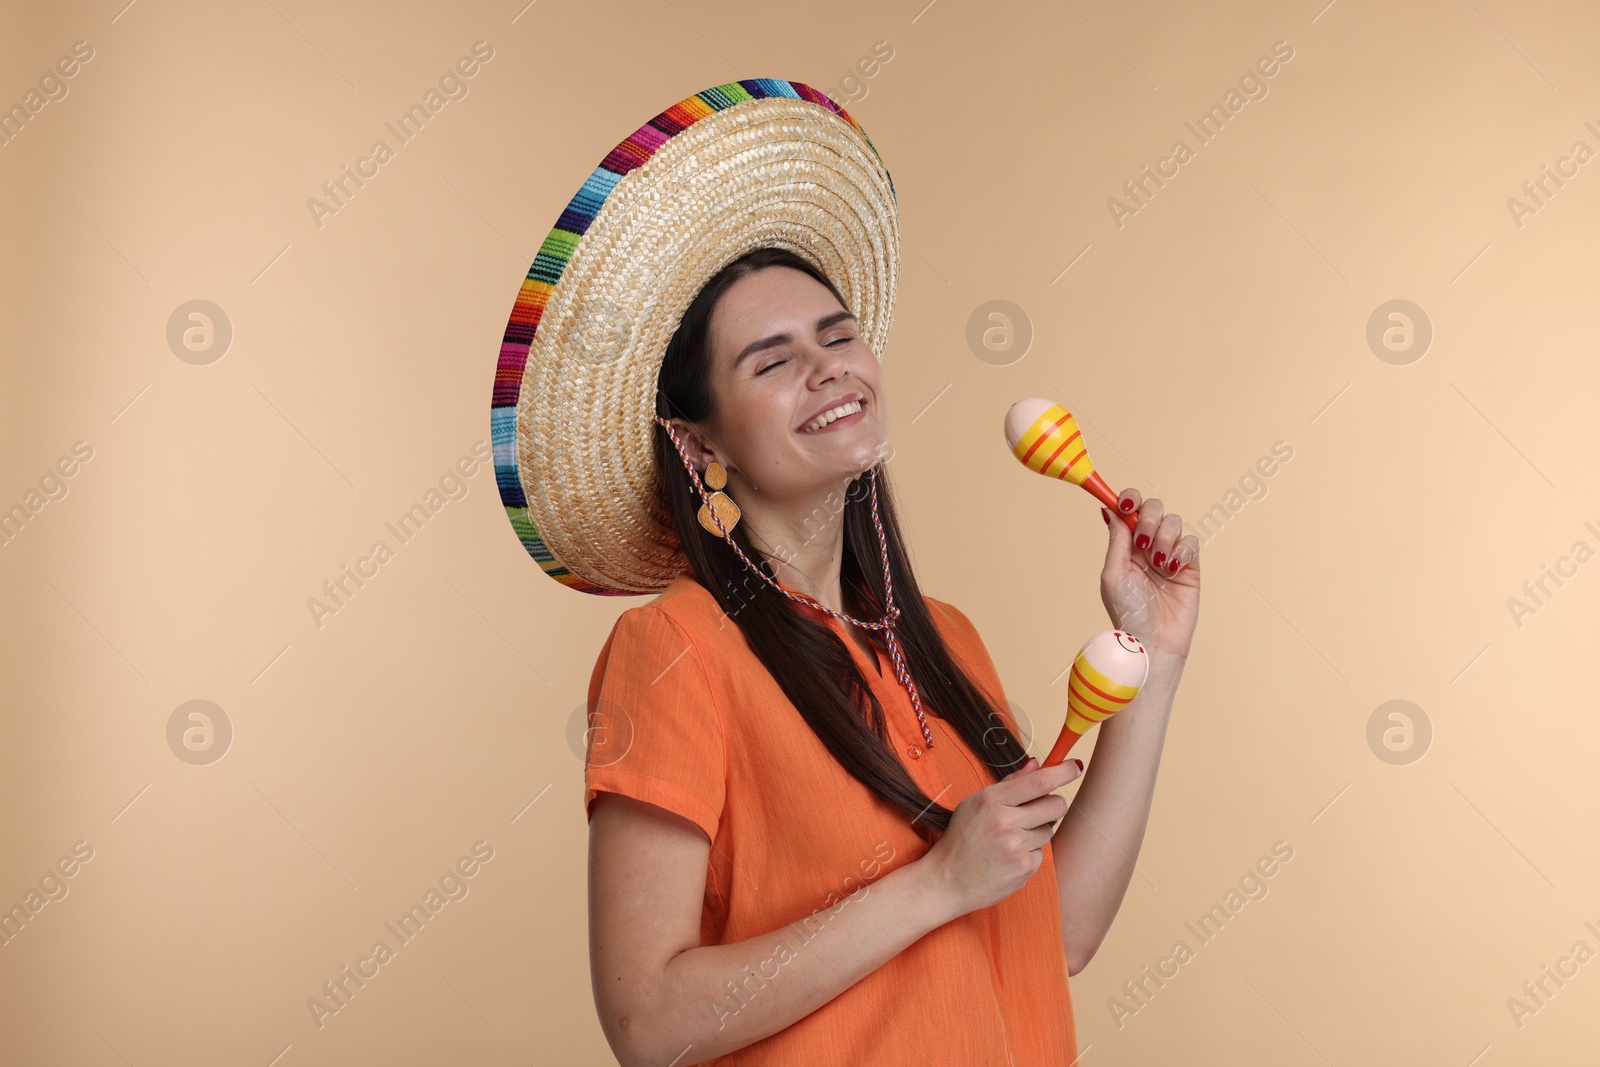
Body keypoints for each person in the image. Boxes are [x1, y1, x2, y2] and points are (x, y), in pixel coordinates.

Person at [490, 80, 1199, 1067]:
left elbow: (1057, 933)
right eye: (770, 360)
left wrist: (1153, 659)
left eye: (836, 335)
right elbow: (648, 1021)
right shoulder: (676, 649)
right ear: (699, 446)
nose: (829, 368)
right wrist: (934, 883)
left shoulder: (942, 638)